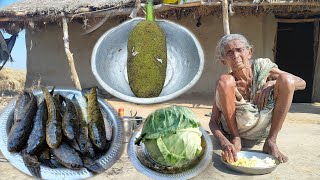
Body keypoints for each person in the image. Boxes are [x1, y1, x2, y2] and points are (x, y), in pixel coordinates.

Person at [209, 34, 306, 163]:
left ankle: (271, 141)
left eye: (239, 50)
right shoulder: (226, 84)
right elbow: (213, 122)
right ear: (224, 61)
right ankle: (236, 137)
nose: (236, 56)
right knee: (224, 80)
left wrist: (272, 83)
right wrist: (225, 142)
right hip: (231, 134)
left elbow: (301, 82)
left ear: (249, 52)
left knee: (286, 80)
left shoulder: (262, 68)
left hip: (260, 133)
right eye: (229, 53)